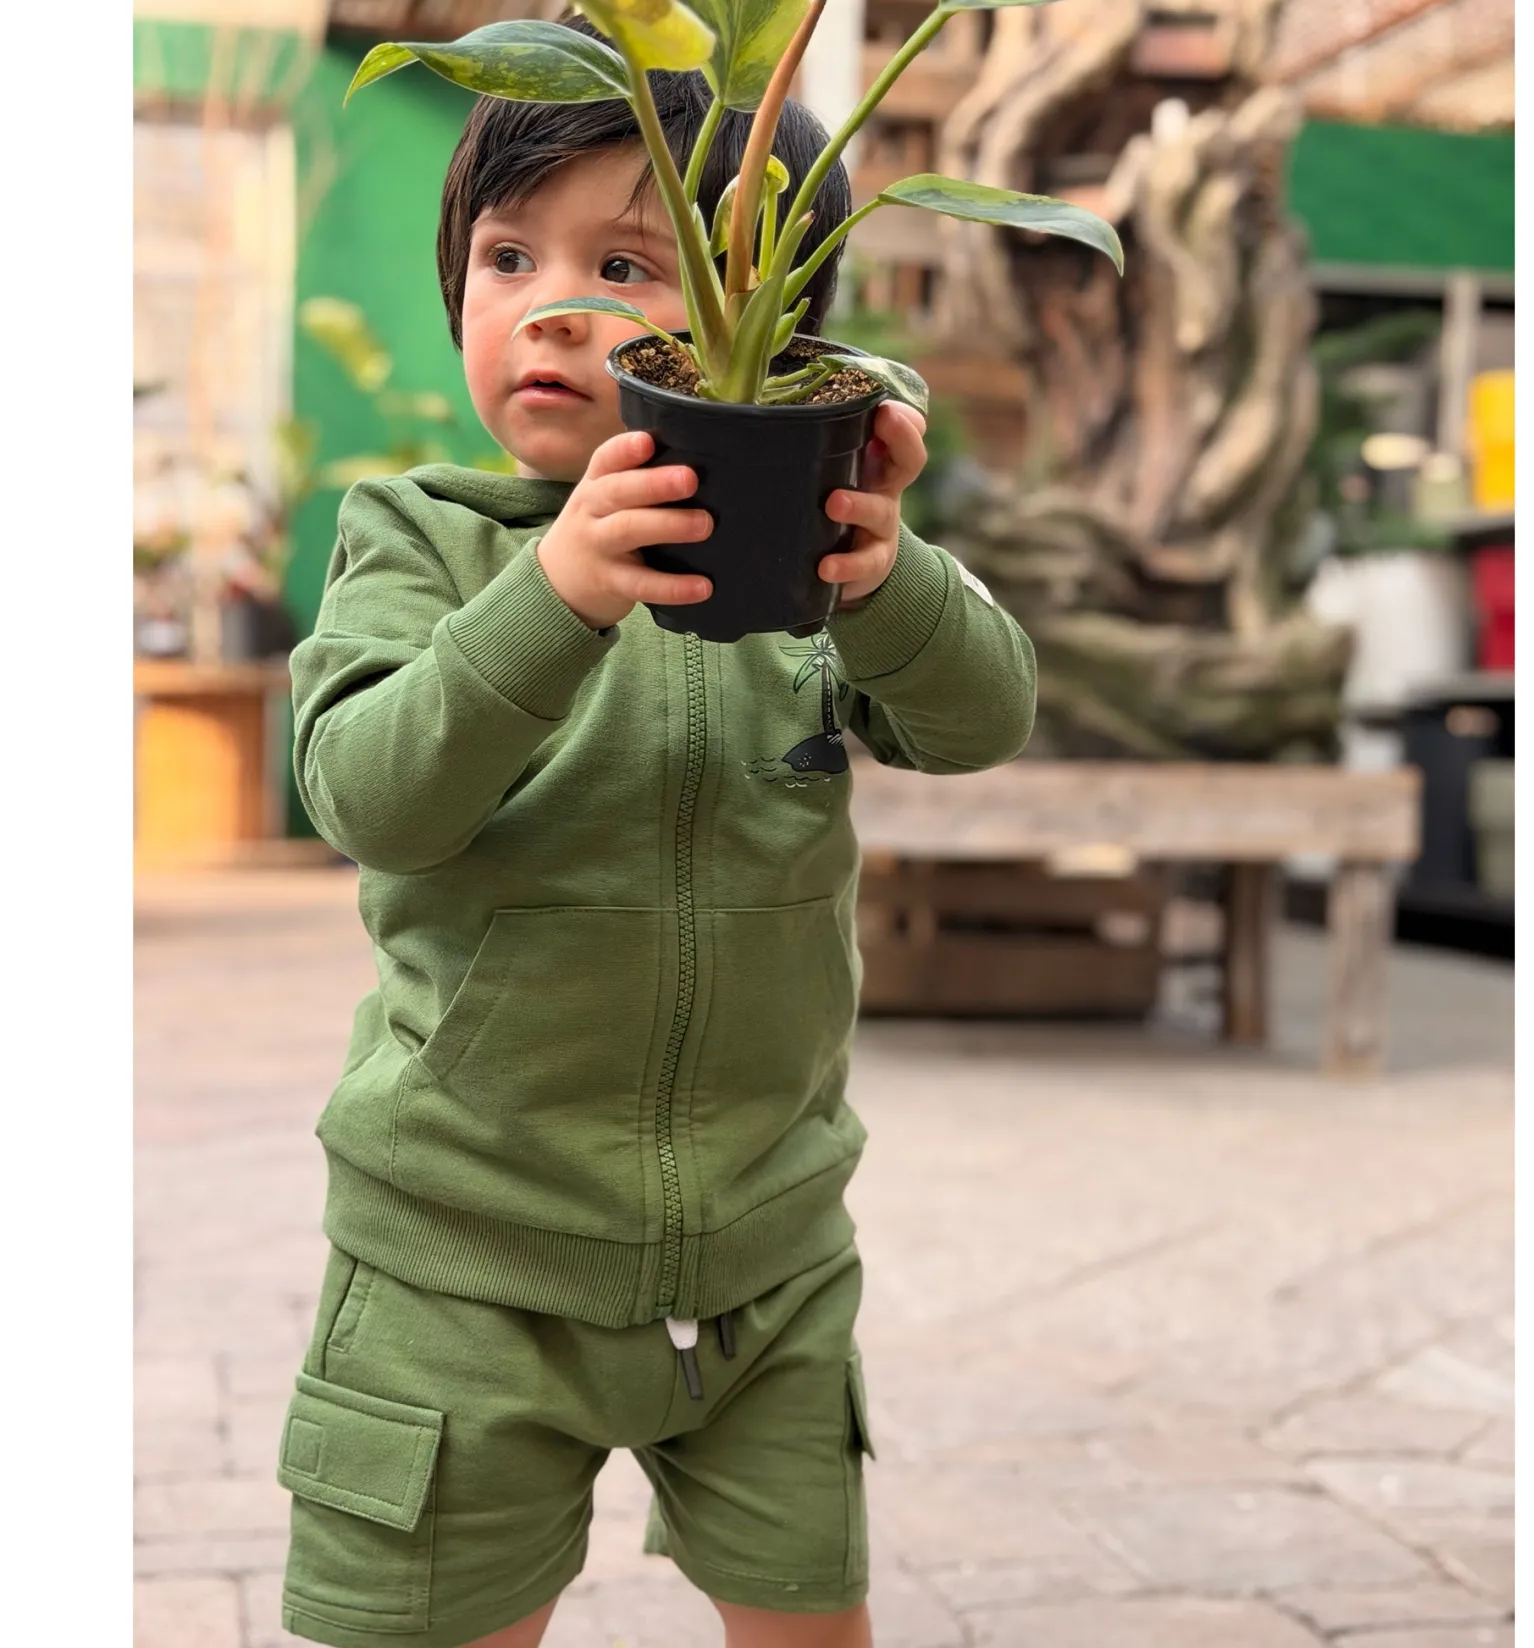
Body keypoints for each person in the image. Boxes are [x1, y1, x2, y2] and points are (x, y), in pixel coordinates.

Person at [275, 28, 1037, 1648]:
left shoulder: (806, 568)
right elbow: (369, 794)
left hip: (766, 1268)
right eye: (508, 257)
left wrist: (882, 569)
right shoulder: (418, 537)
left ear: (763, 320)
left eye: (626, 265)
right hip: (459, 1267)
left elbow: (982, 718)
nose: (551, 307)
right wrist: (557, 594)